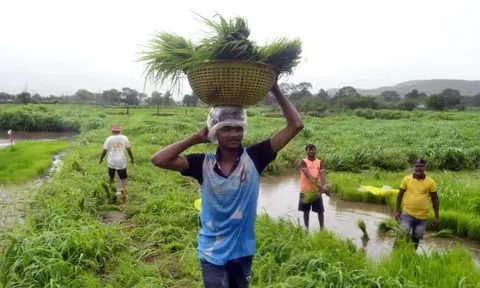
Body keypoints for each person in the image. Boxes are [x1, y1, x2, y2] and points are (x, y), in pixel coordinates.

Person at [151, 81, 303, 288]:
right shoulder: (201, 164)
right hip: (211, 251)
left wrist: (274, 87)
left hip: (242, 251)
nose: (234, 134)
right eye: (226, 129)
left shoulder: (256, 157)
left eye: (238, 128)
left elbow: (295, 125)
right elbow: (158, 159)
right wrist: (195, 138)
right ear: (215, 132)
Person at [394, 158, 439, 249]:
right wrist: (397, 210)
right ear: (414, 167)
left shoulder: (431, 182)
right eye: (416, 166)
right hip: (407, 214)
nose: (418, 168)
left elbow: (435, 199)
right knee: (401, 236)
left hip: (422, 217)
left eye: (421, 166)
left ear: (424, 167)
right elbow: (399, 195)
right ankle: (396, 254)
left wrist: (436, 216)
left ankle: (411, 256)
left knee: (416, 239)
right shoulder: (407, 179)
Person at [99, 124, 134, 203]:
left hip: (111, 161)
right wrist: (132, 158)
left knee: (111, 177)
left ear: (112, 132)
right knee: (123, 178)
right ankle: (122, 189)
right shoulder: (124, 138)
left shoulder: (108, 139)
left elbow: (104, 151)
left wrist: (101, 159)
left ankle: (112, 190)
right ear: (119, 131)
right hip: (121, 161)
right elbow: (129, 150)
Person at [299, 144, 328, 231]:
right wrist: (319, 186)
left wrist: (323, 187)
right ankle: (306, 229)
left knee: (320, 211)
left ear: (316, 151)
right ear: (306, 151)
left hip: (316, 192)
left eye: (313, 149)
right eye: (309, 150)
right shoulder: (303, 162)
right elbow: (308, 176)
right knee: (306, 211)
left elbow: (322, 175)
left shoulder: (319, 162)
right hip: (305, 191)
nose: (311, 151)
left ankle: (322, 229)